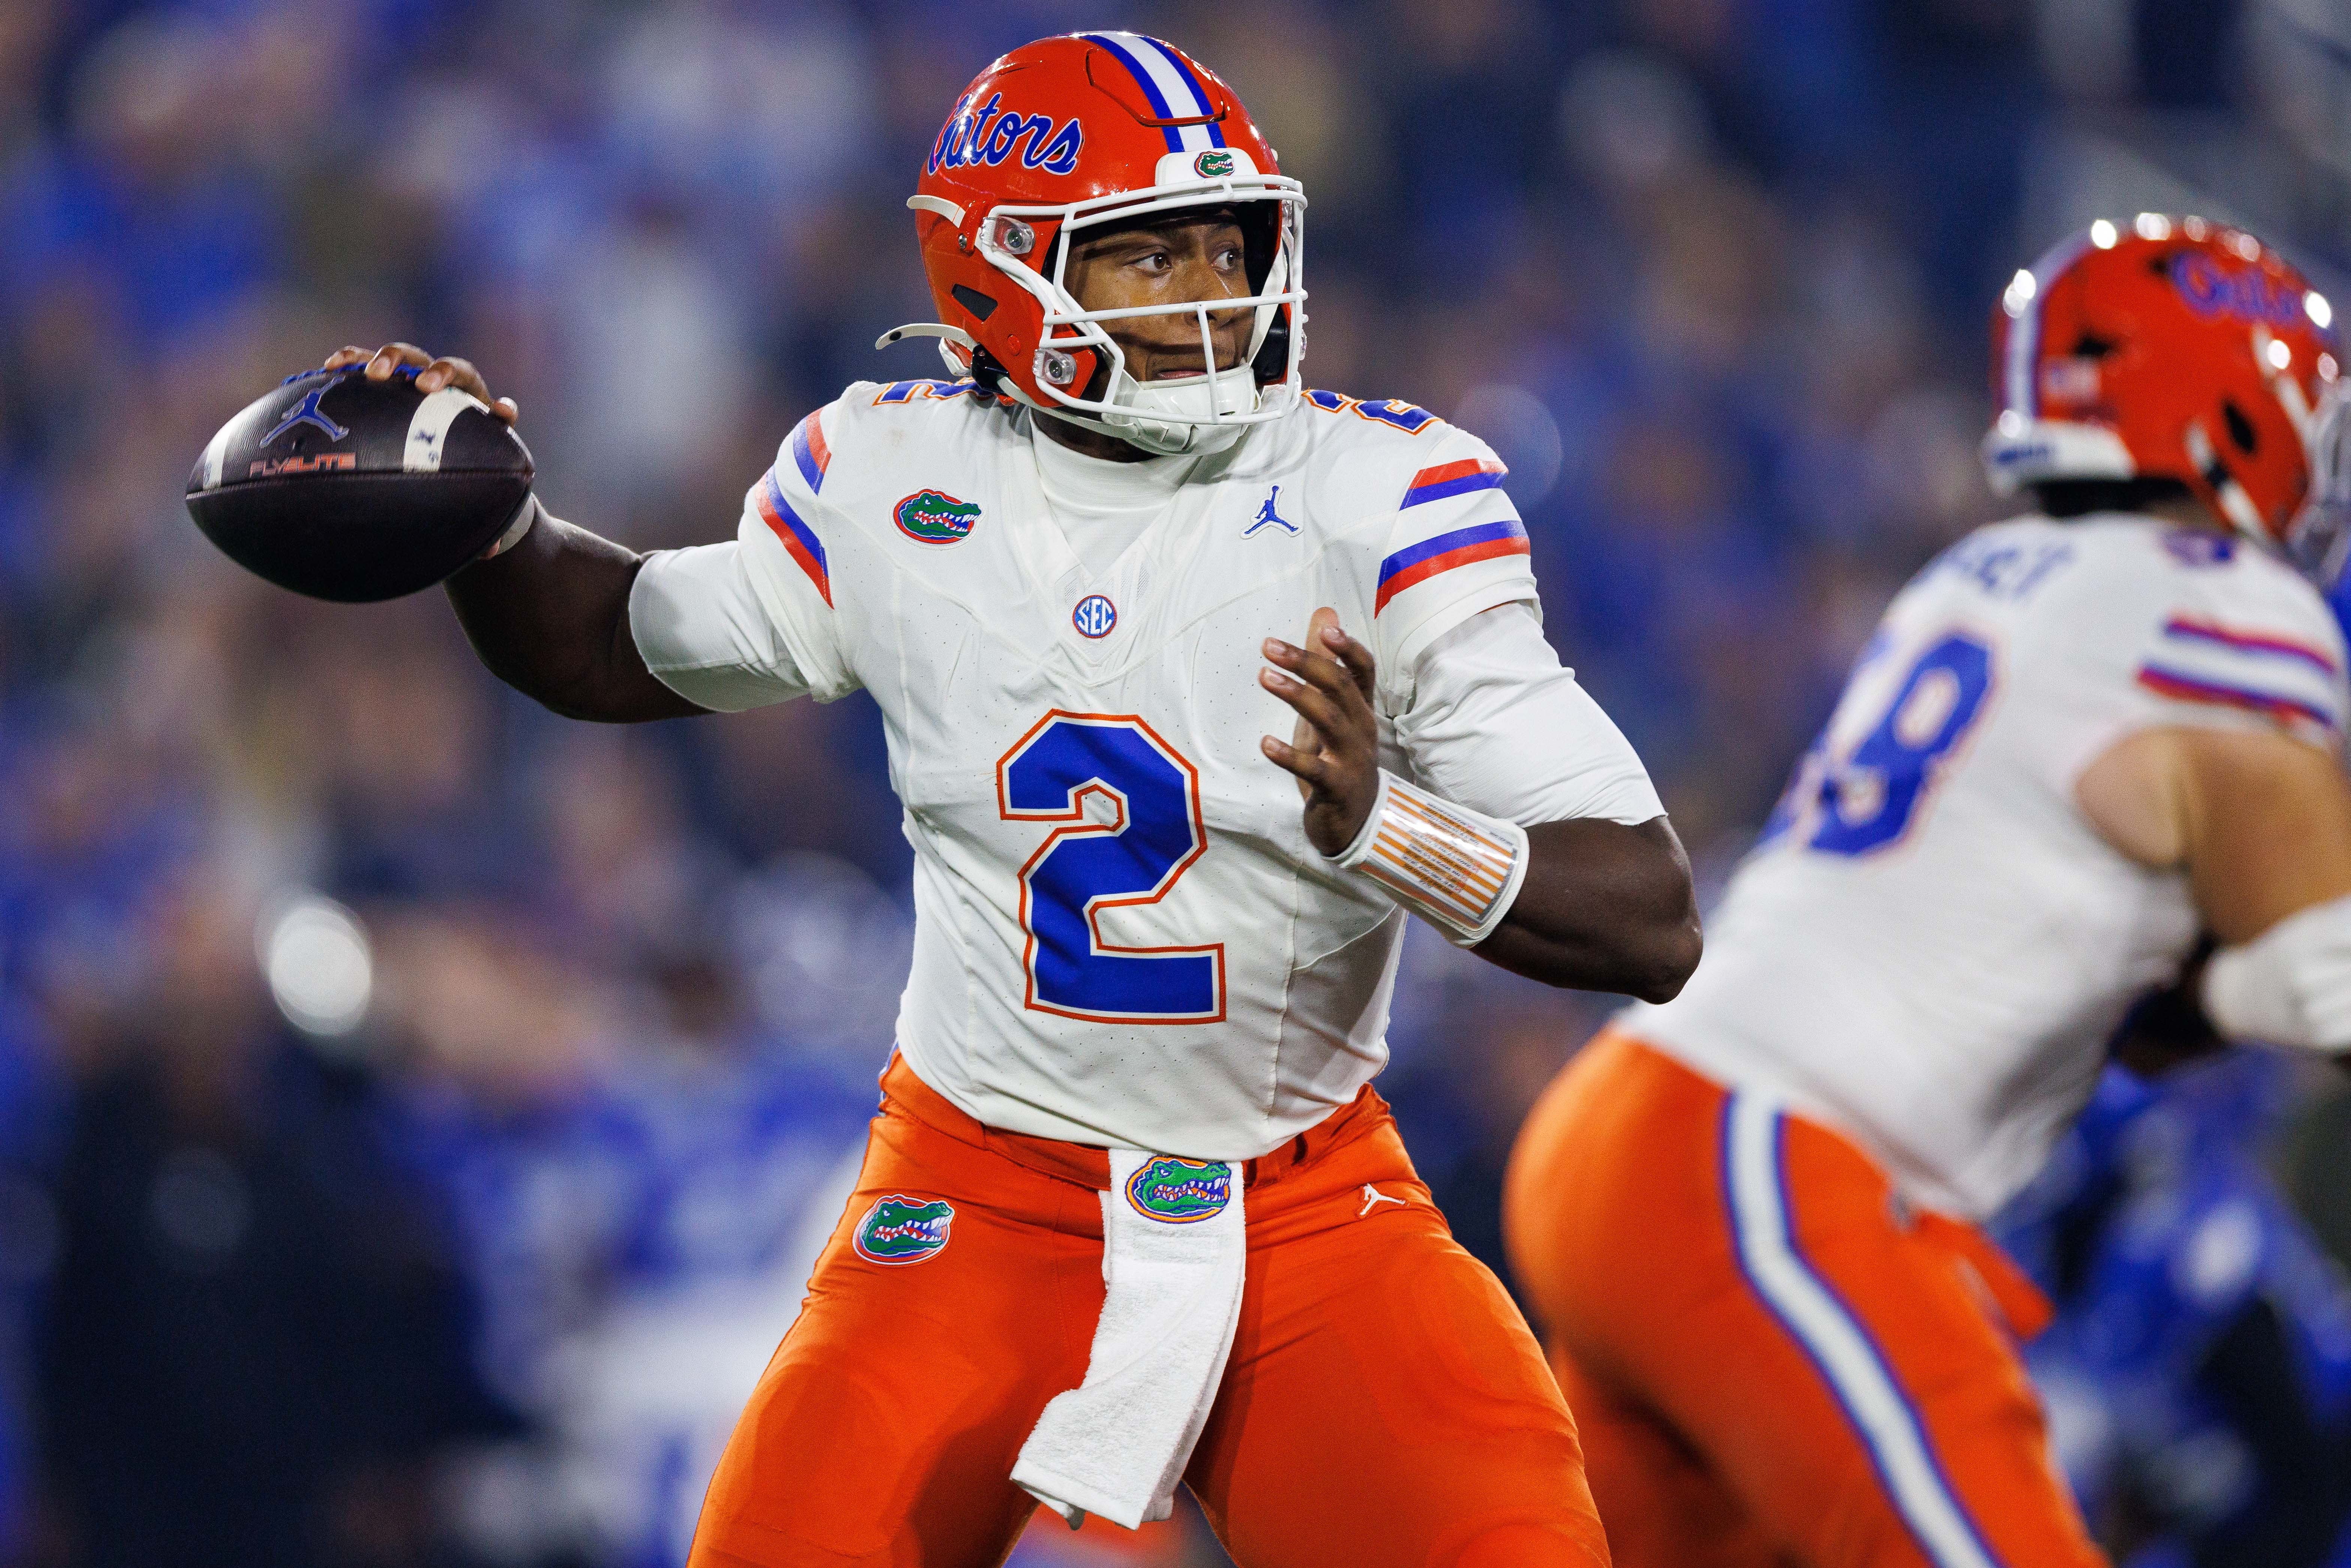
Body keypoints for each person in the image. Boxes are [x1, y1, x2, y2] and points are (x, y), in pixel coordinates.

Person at [317, 31, 1699, 1568]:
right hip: (975, 1199)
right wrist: (487, 520)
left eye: (1225, 243)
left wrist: (1388, 824)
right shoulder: (888, 474)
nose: (1208, 294)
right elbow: (609, 644)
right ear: (1000, 274)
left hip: (1305, 1207)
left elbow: (1646, 914)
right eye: (1146, 253)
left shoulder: (1382, 496)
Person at [1504, 214, 2351, 1568]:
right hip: (1769, 1168)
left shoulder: (1979, 580)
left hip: (1631, 1140)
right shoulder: (2228, 607)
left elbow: (2141, 990)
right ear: (2232, 413)